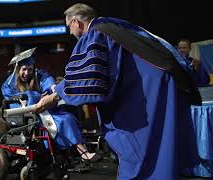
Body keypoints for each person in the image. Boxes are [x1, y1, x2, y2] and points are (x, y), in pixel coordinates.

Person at [35, 3, 200, 180]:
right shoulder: (114, 26)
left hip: (149, 88)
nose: (70, 32)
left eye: (69, 26)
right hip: (161, 81)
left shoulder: (96, 33)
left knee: (139, 137)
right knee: (161, 135)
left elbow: (88, 76)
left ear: (77, 21)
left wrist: (55, 95)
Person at [1, 48, 100, 162]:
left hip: (45, 112)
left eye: (30, 69)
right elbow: (17, 103)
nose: (27, 73)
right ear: (18, 69)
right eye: (24, 69)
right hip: (27, 117)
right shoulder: (9, 84)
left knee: (70, 115)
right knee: (65, 120)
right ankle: (83, 153)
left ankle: (75, 154)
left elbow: (50, 85)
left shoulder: (39, 75)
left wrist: (52, 92)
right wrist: (37, 96)